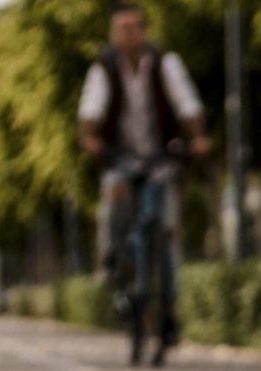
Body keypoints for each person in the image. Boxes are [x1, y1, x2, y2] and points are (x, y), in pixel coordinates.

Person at [77, 5, 210, 352]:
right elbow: (91, 109)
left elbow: (187, 102)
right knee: (113, 194)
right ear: (113, 34)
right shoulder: (104, 67)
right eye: (122, 28)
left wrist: (197, 136)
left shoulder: (165, 61)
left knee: (166, 230)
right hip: (121, 157)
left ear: (145, 31)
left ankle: (169, 306)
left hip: (160, 157)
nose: (130, 34)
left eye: (135, 27)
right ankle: (110, 261)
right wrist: (91, 138)